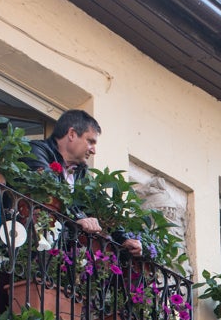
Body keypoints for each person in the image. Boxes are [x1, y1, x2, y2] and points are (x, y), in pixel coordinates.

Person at [23, 110, 141, 257]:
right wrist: (78, 217)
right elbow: (51, 189)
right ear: (72, 134)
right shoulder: (37, 150)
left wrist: (124, 238)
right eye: (90, 141)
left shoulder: (81, 173)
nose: (93, 150)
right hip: (23, 244)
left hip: (53, 254)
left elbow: (100, 206)